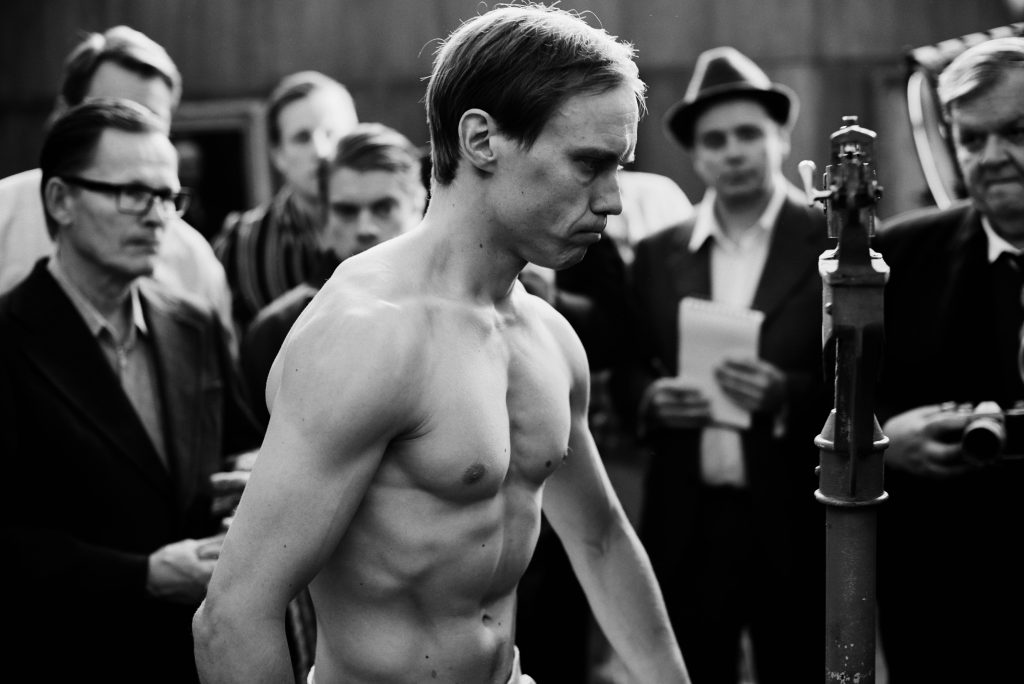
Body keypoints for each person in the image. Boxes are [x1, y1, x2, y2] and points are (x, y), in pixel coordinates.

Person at [193, 5, 690, 684]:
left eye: (618, 168)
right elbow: (232, 615)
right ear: (482, 140)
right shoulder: (368, 331)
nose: (613, 201)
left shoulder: (548, 336)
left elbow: (600, 538)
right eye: (588, 164)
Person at [0, 99, 262, 683]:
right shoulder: (10, 338)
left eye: (168, 196)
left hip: (197, 650)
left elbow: (238, 446)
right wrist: (142, 575)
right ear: (60, 201)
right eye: (133, 194)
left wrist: (250, 481)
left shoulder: (192, 324)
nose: (157, 216)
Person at [620, 46, 831, 683]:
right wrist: (649, 399)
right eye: (715, 140)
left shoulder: (830, 241)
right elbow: (629, 363)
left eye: (748, 134)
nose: (733, 152)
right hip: (689, 517)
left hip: (796, 514)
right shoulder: (658, 253)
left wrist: (787, 395)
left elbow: (870, 376)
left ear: (781, 137)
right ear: (695, 154)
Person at [873, 36, 1024, 683]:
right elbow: (827, 404)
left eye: (1016, 132)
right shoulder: (898, 256)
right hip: (942, 600)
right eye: (971, 139)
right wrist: (885, 438)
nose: (991, 157)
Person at [0, 26, 234, 341]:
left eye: (148, 120)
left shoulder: (193, 261)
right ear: (64, 114)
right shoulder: (4, 216)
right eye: (108, 114)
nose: (129, 136)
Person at [241, 122, 426, 425]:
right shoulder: (276, 332)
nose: (365, 228)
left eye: (383, 207)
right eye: (347, 211)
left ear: (418, 207)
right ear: (324, 219)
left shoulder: (470, 306)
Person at [213, 70, 359, 331]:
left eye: (332, 133)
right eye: (302, 137)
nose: (321, 151)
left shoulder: (401, 224)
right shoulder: (241, 246)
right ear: (278, 155)